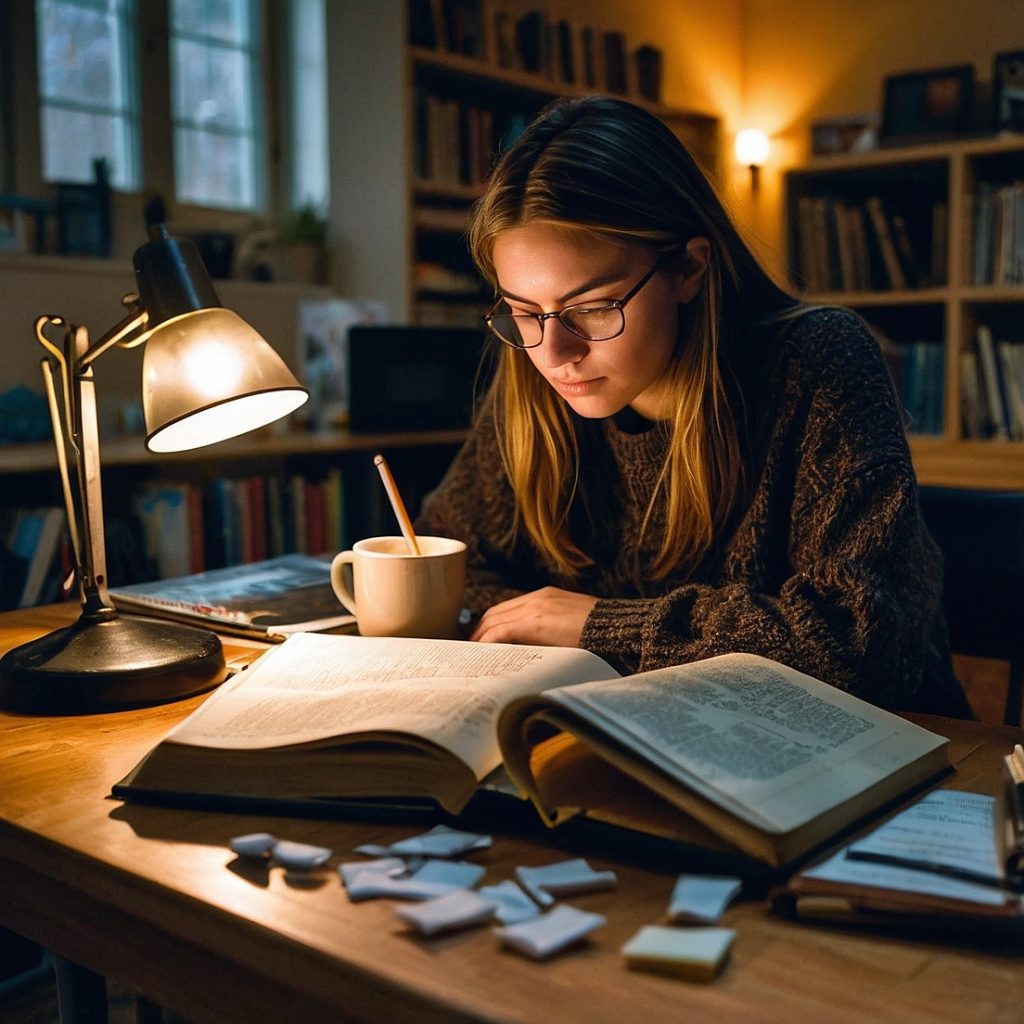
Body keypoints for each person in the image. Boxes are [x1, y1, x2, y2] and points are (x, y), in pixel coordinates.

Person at [416, 95, 969, 717]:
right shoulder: (531, 373)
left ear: (688, 268)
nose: (555, 350)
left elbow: (858, 649)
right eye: (523, 310)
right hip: (645, 737)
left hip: (884, 762)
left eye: (594, 306)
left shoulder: (819, 362)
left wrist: (601, 627)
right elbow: (442, 559)